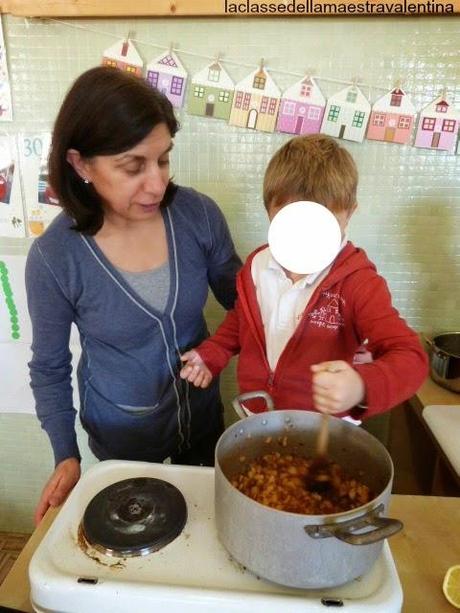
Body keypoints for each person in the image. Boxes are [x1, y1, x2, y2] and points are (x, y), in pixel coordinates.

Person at [25, 66, 241, 524]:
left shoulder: (197, 216)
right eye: (133, 166)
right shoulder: (56, 257)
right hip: (120, 433)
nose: (157, 184)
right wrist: (66, 454)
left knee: (205, 527)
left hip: (201, 420)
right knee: (136, 544)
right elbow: (48, 367)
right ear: (80, 164)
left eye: (163, 159)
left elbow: (246, 307)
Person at [180, 134, 428, 419]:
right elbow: (240, 323)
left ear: (349, 214)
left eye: (321, 223)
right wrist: (210, 355)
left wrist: (360, 385)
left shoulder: (358, 283)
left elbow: (411, 357)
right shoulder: (257, 266)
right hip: (258, 413)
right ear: (270, 213)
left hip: (324, 428)